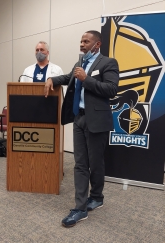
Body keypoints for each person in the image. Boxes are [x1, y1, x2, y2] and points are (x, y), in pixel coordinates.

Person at [44, 30, 119, 227]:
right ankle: (80, 208)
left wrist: (87, 79)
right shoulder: (79, 64)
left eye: (86, 41)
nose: (82, 44)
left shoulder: (108, 62)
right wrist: (52, 79)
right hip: (79, 118)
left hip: (97, 121)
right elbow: (69, 77)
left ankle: (97, 196)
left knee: (95, 162)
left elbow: (112, 89)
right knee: (79, 163)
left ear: (97, 44)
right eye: (81, 41)